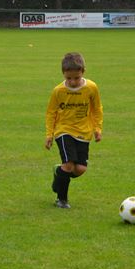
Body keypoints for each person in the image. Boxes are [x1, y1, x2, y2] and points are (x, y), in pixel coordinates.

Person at [45, 52, 103, 208]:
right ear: (63, 74)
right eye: (68, 78)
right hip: (63, 131)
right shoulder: (58, 91)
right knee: (69, 165)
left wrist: (97, 128)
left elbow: (97, 109)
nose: (72, 81)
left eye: (76, 78)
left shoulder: (91, 88)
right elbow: (51, 113)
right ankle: (61, 199)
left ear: (83, 72)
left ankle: (59, 173)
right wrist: (49, 134)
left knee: (80, 169)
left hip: (84, 132)